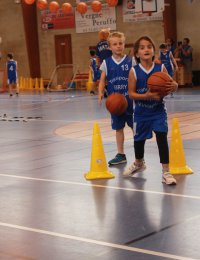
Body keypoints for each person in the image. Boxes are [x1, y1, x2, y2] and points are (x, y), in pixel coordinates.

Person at [123, 36, 178, 185]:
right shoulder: (134, 71)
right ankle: (139, 163)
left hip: (158, 112)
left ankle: (166, 172)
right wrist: (146, 95)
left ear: (154, 51)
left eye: (149, 47)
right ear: (137, 53)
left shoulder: (160, 68)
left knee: (161, 137)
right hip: (141, 113)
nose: (146, 49)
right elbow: (131, 94)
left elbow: (171, 84)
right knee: (138, 141)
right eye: (142, 47)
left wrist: (175, 86)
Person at [98, 31, 136, 166]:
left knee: (134, 127)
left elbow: (137, 76)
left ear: (124, 45)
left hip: (131, 101)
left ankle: (139, 155)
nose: (118, 46)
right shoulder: (106, 62)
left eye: (121, 43)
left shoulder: (131, 60)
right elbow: (102, 80)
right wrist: (100, 92)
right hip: (116, 103)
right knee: (118, 129)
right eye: (115, 44)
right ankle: (121, 154)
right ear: (110, 47)